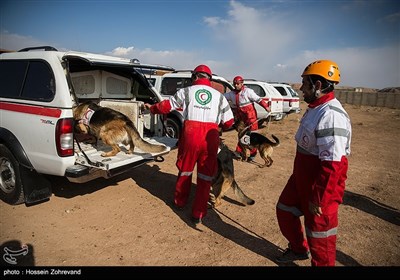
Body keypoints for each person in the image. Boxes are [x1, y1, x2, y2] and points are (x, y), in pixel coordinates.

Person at [275, 60, 352, 266]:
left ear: (318, 86)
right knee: (284, 209)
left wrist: (319, 198)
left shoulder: (331, 116)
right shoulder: (315, 108)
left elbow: (333, 164)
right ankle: (299, 250)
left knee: (320, 239)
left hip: (320, 187)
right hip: (302, 179)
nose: (301, 88)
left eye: (304, 83)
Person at [144, 64, 234, 226]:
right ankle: (198, 213)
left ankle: (180, 202)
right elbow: (229, 122)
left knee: (185, 170)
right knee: (206, 176)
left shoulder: (185, 92)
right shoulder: (219, 96)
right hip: (210, 139)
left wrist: (152, 109)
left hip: (190, 135)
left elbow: (166, 106)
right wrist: (217, 126)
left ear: (194, 77)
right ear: (210, 79)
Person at [224, 76, 270, 161]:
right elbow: (222, 97)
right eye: (235, 84)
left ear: (242, 83)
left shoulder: (248, 92)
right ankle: (239, 152)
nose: (236, 85)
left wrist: (266, 107)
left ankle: (252, 154)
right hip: (241, 120)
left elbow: (258, 100)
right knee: (241, 135)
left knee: (252, 137)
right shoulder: (231, 94)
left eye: (238, 84)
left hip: (251, 118)